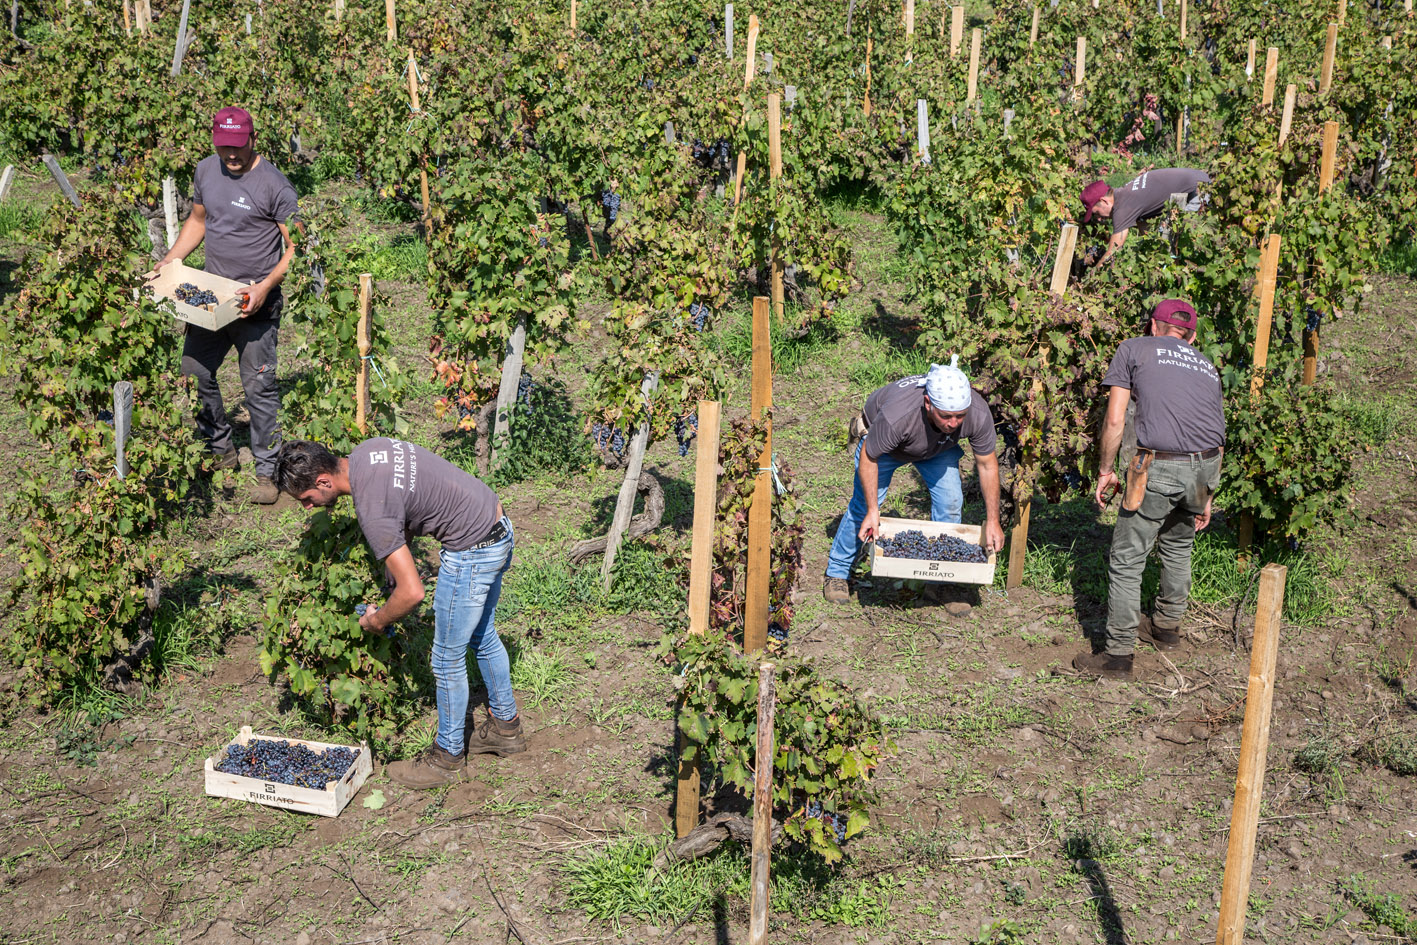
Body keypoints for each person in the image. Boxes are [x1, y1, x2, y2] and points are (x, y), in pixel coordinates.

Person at [275, 438, 527, 788]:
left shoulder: (370, 508)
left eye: (306, 499)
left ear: (323, 481)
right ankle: (506, 728)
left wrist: (376, 621)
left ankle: (447, 758)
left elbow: (413, 593)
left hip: (472, 551)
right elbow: (407, 502)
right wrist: (396, 565)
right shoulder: (367, 452)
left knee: (445, 659)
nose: (307, 507)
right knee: (482, 636)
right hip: (496, 525)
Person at [148, 106, 300, 505]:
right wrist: (170, 260)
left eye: (237, 148)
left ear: (253, 140)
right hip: (211, 297)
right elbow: (198, 220)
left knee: (259, 389)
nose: (230, 156)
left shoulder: (275, 185)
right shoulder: (205, 171)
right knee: (193, 372)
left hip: (255, 306)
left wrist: (266, 286)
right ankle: (220, 449)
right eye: (223, 148)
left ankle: (267, 471)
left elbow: (299, 246)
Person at [1076, 299, 1224, 680]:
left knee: (1127, 558)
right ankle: (1166, 628)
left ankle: (1118, 656)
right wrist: (1207, 494)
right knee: (1177, 546)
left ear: (1154, 327)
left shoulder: (1134, 348)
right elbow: (1216, 430)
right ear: (1190, 336)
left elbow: (1114, 418)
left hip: (1158, 466)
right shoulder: (1207, 365)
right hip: (1206, 465)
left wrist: (1106, 470)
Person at [824, 358, 1006, 613]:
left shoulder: (976, 412)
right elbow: (869, 457)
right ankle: (838, 573)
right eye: (946, 416)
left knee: (950, 502)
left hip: (937, 447)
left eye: (959, 416)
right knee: (864, 507)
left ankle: (941, 581)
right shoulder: (897, 416)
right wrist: (874, 511)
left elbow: (987, 465)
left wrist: (993, 520)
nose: (954, 423)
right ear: (928, 403)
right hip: (885, 449)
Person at [1079, 167, 1210, 267]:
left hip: (1198, 190)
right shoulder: (1125, 194)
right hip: (1194, 182)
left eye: (1097, 213)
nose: (1099, 219)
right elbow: (1146, 233)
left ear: (1104, 201)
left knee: (1181, 242)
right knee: (1166, 241)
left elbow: (1113, 251)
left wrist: (1094, 276)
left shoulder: (1122, 207)